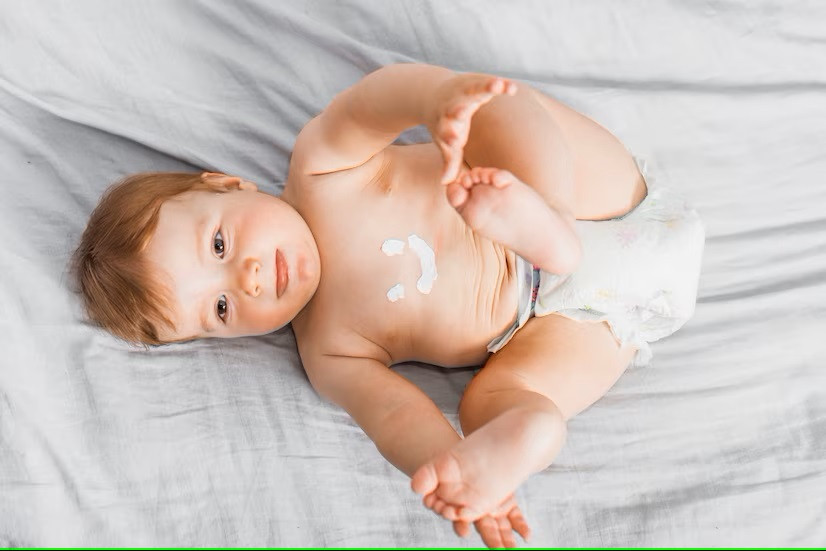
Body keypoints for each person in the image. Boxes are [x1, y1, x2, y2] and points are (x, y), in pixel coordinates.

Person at [71, 63, 704, 548]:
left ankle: (547, 223)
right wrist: (449, 468)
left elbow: (370, 103)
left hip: (601, 194)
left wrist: (435, 99)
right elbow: (397, 416)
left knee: (501, 112)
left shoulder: (320, 169)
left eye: (220, 245)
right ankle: (527, 439)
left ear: (227, 184)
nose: (250, 279)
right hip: (577, 319)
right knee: (488, 405)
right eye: (221, 309)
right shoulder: (329, 352)